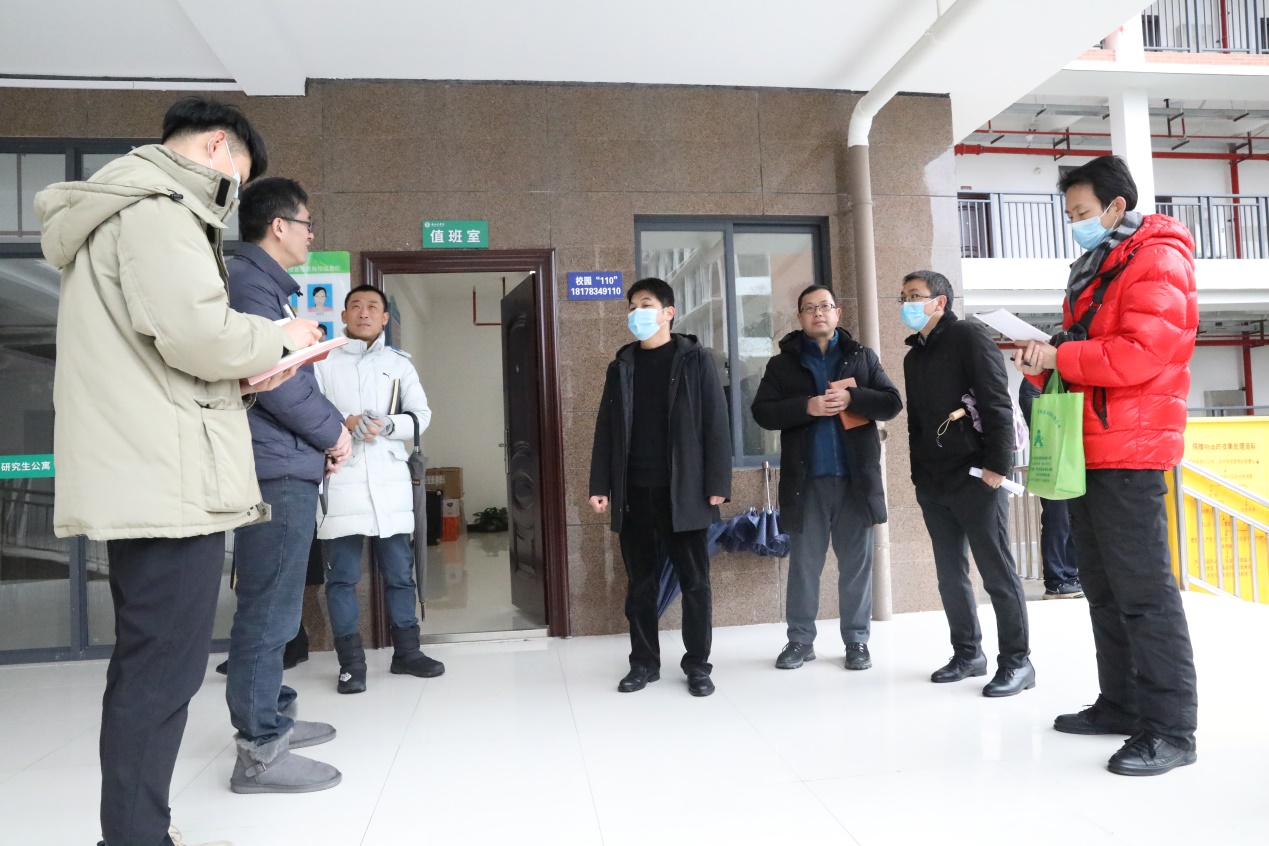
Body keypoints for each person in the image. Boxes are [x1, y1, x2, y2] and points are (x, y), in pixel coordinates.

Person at [35, 96, 321, 846]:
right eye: (239, 175)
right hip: (164, 473)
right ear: (218, 146)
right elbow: (196, 333)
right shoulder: (159, 209)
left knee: (153, 663)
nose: (234, 192)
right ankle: (136, 836)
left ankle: (137, 829)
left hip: (151, 463)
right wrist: (280, 339)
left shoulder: (124, 207)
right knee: (161, 670)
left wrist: (244, 375)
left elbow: (167, 355)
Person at [1015, 155, 1199, 776]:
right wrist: (1043, 361)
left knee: (1145, 595)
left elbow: (1141, 354)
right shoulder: (1100, 265)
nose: (1076, 223)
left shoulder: (1157, 258)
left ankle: (1171, 730)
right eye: (1070, 214)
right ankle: (1121, 704)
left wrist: (1061, 358)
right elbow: (1085, 352)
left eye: (1083, 212)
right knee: (1103, 588)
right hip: (1089, 446)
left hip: (1131, 448)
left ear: (1117, 206)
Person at [224, 177, 352, 794]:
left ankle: (273, 718)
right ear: (279, 226)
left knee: (277, 604)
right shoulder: (251, 285)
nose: (310, 235)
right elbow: (275, 379)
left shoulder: (264, 285)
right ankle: (259, 753)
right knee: (269, 607)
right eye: (306, 224)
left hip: (284, 461)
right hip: (274, 467)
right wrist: (335, 433)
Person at [588, 277, 731, 697]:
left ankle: (698, 665)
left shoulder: (695, 360)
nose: (637, 313)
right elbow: (606, 428)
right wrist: (600, 484)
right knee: (641, 585)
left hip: (684, 492)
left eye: (645, 305)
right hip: (634, 492)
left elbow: (715, 422)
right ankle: (644, 663)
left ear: (668, 312)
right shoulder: (621, 366)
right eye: (632, 306)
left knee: (695, 583)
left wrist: (717, 482)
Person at [752, 285, 902, 671]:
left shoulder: (861, 357)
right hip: (806, 483)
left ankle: (856, 641)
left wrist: (854, 399)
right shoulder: (783, 364)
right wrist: (807, 406)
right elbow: (762, 412)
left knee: (856, 565)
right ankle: (800, 640)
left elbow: (892, 402)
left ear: (837, 313)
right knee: (804, 566)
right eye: (809, 308)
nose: (818, 313)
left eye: (825, 306)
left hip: (855, 481)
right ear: (800, 317)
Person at [900, 270, 1034, 697]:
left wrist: (998, 465)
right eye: (903, 297)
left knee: (997, 573)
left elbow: (997, 401)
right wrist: (918, 474)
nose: (907, 303)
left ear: (940, 301)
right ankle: (968, 654)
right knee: (950, 575)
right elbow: (917, 423)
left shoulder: (969, 337)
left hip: (978, 477)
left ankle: (1017, 662)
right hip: (934, 482)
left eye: (915, 295)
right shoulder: (914, 357)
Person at [315, 285, 445, 694]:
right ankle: (351, 664)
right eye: (356, 306)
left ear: (385, 318)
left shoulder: (398, 364)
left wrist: (389, 425)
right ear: (343, 316)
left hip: (390, 484)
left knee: (400, 575)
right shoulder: (323, 361)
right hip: (341, 479)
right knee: (342, 578)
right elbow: (310, 409)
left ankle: (407, 652)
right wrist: (345, 421)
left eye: (373, 307)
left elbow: (421, 416)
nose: (364, 312)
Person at [1017, 379, 1083, 599]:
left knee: (1071, 520)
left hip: (1070, 463)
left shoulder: (1064, 379)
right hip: (1054, 464)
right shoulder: (1034, 384)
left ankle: (1070, 577)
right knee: (1058, 520)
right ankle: (1056, 582)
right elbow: (1042, 424)